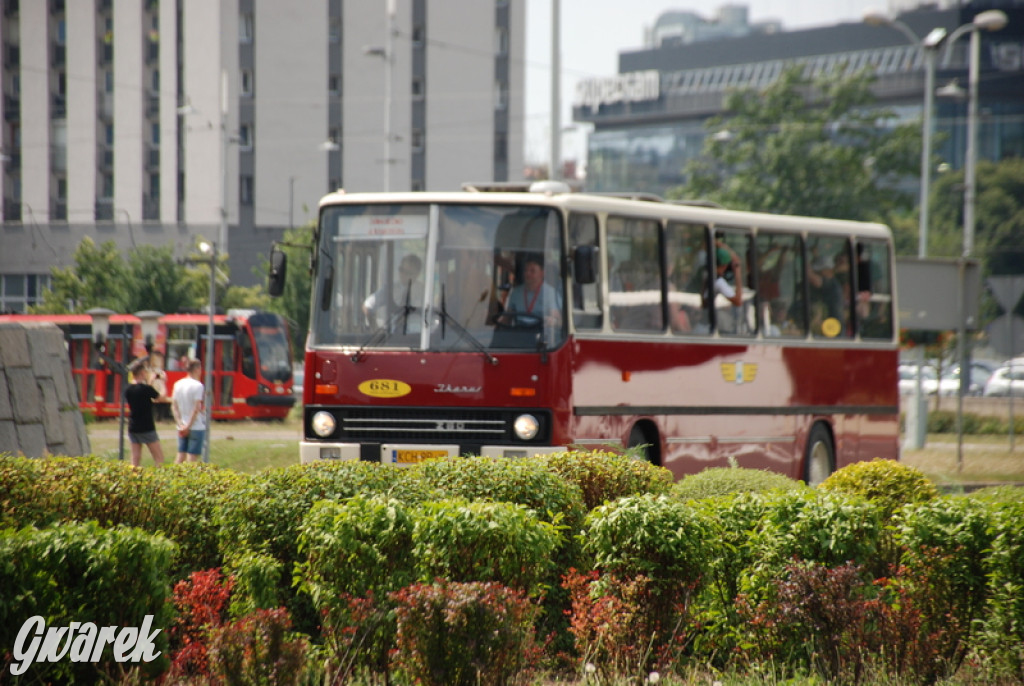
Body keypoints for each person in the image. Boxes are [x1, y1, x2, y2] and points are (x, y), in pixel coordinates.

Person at [362, 254, 425, 331]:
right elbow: (367, 306)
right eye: (401, 270)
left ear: (417, 274)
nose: (403, 274)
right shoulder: (389, 289)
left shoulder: (423, 291)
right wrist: (376, 329)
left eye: (408, 272)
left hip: (417, 338)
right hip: (391, 338)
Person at [124, 358, 167, 468]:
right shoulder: (146, 389)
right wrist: (163, 383)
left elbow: (144, 393)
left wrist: (150, 382)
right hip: (147, 427)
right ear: (142, 373)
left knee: (135, 458)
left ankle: (132, 478)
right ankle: (159, 480)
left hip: (133, 426)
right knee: (159, 458)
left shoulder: (128, 389)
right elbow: (161, 397)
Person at [502, 253, 562, 327]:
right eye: (526, 270)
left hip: (541, 333)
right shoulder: (516, 292)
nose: (527, 273)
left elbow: (558, 320)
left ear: (542, 273)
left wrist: (553, 321)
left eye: (532, 271)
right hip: (519, 332)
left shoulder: (550, 293)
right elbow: (507, 318)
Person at [171, 359, 207, 463]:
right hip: (195, 426)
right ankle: (190, 479)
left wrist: (180, 424)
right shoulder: (198, 386)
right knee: (192, 457)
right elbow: (196, 409)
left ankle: (171, 476)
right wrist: (188, 426)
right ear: (196, 369)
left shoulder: (178, 384)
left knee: (180, 455)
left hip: (181, 425)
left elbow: (174, 406)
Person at [147, 351, 171, 421]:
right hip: (153, 393)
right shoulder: (150, 372)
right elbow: (148, 385)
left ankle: (161, 417)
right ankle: (155, 417)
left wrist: (163, 379)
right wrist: (152, 379)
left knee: (162, 402)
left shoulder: (162, 372)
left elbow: (165, 382)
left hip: (161, 393)